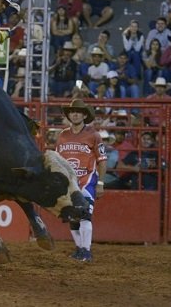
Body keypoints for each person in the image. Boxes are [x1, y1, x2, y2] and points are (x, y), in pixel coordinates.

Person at [55, 99, 106, 263]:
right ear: (69, 115)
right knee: (72, 217)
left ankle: (86, 251)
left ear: (84, 115)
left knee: (85, 215)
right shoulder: (62, 135)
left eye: (78, 111)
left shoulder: (94, 135)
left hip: (87, 182)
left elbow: (102, 160)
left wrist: (100, 183)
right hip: (68, 184)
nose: (75, 114)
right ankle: (79, 248)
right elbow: (57, 160)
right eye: (72, 111)